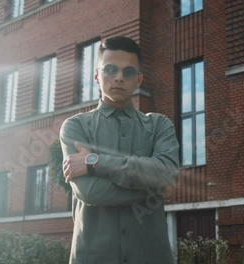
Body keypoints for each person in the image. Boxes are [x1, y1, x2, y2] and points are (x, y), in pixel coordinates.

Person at [60, 36, 179, 264]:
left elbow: (167, 173)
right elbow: (90, 192)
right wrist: (152, 186)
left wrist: (95, 162)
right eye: (110, 69)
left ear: (139, 80)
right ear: (96, 75)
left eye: (129, 72)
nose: (118, 77)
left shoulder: (158, 125)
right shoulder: (75, 127)